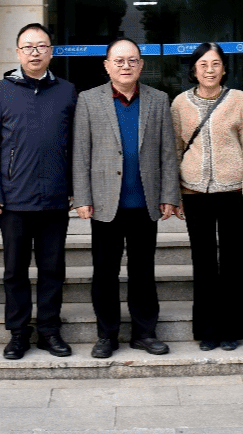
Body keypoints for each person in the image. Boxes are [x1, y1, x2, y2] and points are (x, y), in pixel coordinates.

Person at [73, 38, 181, 359]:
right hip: (105, 202)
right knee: (105, 272)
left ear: (141, 65)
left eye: (132, 60)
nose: (126, 66)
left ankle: (144, 333)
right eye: (119, 61)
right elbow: (80, 153)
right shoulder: (88, 100)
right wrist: (82, 197)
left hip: (144, 202)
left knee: (143, 271)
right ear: (107, 65)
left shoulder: (158, 100)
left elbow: (168, 152)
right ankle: (106, 335)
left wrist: (169, 194)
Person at [0, 23, 79, 360]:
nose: (35, 52)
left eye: (41, 46)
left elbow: (75, 144)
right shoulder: (0, 91)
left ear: (51, 51)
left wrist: (73, 187)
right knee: (15, 271)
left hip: (55, 198)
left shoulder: (67, 91)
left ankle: (50, 331)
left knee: (53, 270)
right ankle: (19, 332)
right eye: (28, 47)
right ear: (18, 52)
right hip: (13, 199)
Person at [171, 42, 243, 351]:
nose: (209, 70)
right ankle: (207, 330)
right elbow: (173, 151)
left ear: (224, 69)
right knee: (203, 262)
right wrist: (175, 193)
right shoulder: (180, 104)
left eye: (215, 64)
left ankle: (231, 329)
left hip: (233, 193)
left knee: (233, 261)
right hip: (194, 193)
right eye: (203, 64)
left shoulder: (239, 100)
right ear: (194, 70)